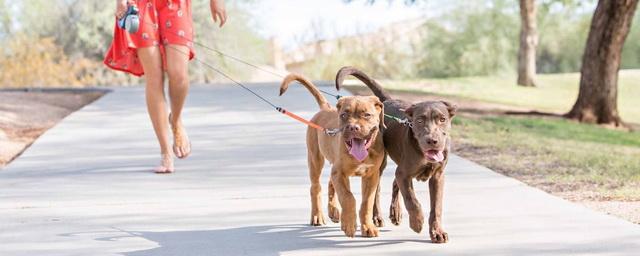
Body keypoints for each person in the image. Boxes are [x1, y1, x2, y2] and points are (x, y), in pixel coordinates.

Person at [104, 0, 227, 173]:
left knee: (179, 75)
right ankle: (165, 152)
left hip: (176, 5)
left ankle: (175, 121)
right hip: (140, 5)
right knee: (154, 77)